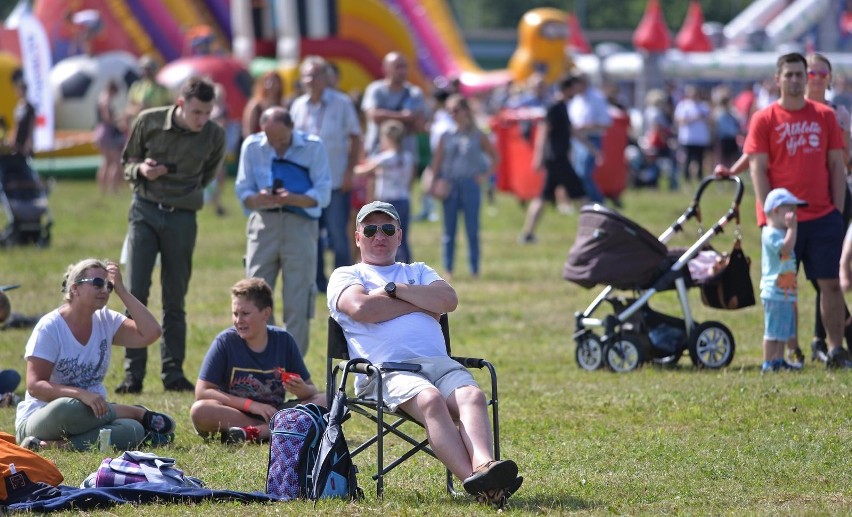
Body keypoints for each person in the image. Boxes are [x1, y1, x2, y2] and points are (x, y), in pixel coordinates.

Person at [326, 201, 521, 504]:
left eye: (388, 229)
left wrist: (394, 290)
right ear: (358, 237)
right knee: (430, 399)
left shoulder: (418, 270)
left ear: (400, 236)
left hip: (440, 366)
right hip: (385, 371)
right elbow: (361, 308)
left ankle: (484, 466)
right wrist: (422, 304)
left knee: (473, 396)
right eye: (371, 229)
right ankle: (482, 487)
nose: (380, 236)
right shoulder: (347, 274)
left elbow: (448, 300)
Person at [717, 53, 852, 365]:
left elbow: (835, 164)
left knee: (830, 283)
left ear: (806, 79)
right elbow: (757, 169)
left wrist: (835, 211)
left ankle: (835, 348)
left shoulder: (825, 116)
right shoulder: (764, 119)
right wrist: (770, 217)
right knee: (784, 287)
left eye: (799, 74)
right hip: (783, 222)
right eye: (788, 74)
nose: (794, 80)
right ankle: (792, 351)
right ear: (777, 79)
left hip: (822, 217)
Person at [116, 76, 226, 394]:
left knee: (175, 298)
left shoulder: (214, 135)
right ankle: (132, 376)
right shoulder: (148, 121)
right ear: (180, 104)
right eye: (197, 113)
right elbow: (127, 162)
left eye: (208, 113)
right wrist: (142, 171)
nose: (202, 120)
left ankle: (173, 373)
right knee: (135, 293)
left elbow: (207, 175)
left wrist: (182, 194)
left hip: (183, 218)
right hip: (145, 213)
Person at [14, 259, 175, 451]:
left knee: (132, 430)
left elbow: (151, 333)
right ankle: (135, 412)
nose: (104, 290)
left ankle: (52, 447)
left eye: (109, 286)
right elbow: (35, 387)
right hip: (45, 417)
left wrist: (122, 291)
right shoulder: (50, 327)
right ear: (75, 289)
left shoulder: (106, 320)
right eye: (98, 283)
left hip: (95, 414)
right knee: (69, 407)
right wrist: (83, 395)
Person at [235, 106, 331, 356]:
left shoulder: (313, 146)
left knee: (297, 299)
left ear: (292, 129)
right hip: (263, 224)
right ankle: (260, 359)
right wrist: (258, 198)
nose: (275, 144)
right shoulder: (252, 146)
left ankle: (292, 365)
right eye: (270, 138)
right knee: (253, 294)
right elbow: (243, 190)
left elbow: (323, 194)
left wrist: (293, 198)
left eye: (281, 139)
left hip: (300, 225)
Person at [190, 278, 325, 444]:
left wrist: (301, 388)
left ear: (266, 313)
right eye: (235, 314)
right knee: (200, 410)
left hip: (276, 413)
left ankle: (256, 433)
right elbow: (202, 391)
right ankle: (271, 430)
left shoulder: (284, 340)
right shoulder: (225, 342)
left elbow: (311, 391)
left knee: (327, 400)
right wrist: (251, 405)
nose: (238, 320)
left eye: (245, 314)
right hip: (235, 413)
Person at [290, 56, 362, 290]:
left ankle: (342, 282)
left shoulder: (341, 103)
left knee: (338, 236)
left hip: (335, 180)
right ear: (302, 80)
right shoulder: (297, 106)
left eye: (316, 75)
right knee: (313, 236)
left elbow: (355, 137)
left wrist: (350, 172)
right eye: (307, 76)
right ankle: (319, 282)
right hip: (307, 184)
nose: (312, 80)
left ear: (325, 77)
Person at [519, 74, 594, 244]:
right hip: (557, 158)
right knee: (581, 194)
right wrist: (539, 157)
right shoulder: (554, 107)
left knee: (543, 197)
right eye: (574, 88)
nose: (576, 91)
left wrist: (592, 148)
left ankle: (528, 233)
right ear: (567, 89)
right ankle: (591, 232)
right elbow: (543, 131)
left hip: (557, 158)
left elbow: (571, 131)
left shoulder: (562, 107)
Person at [430, 95, 498, 279]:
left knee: (472, 229)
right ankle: (448, 269)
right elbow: (437, 161)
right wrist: (433, 181)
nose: (452, 114)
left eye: (455, 110)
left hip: (470, 184)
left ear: (465, 111)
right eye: (449, 110)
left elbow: (495, 157)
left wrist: (483, 176)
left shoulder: (478, 134)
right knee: (449, 230)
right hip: (450, 183)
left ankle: (474, 269)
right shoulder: (445, 134)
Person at [354, 120, 415, 262]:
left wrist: (354, 166)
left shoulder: (385, 157)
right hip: (404, 198)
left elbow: (361, 171)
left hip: (388, 201)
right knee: (401, 237)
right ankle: (406, 265)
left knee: (385, 236)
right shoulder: (408, 157)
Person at [760, 188, 806, 372]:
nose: (793, 214)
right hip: (773, 291)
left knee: (783, 331)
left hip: (785, 292)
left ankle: (778, 360)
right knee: (772, 331)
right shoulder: (771, 233)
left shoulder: (781, 232)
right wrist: (793, 229)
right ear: (775, 210)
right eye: (789, 209)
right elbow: (785, 250)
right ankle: (768, 362)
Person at [361, 52, 426, 160]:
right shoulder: (375, 90)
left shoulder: (415, 93)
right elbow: (374, 116)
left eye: (404, 66)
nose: (402, 71)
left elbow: (418, 124)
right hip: (377, 154)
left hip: (406, 159)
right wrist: (405, 117)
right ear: (386, 69)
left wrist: (385, 117)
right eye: (398, 67)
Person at [568, 72, 610, 204]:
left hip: (592, 139)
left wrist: (584, 128)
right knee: (577, 174)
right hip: (576, 141)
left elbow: (606, 123)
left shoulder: (597, 98)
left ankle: (597, 202)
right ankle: (586, 203)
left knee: (584, 173)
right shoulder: (575, 100)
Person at [674, 84, 712, 183]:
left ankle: (700, 180)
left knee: (700, 160)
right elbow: (679, 120)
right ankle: (687, 180)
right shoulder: (683, 105)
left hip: (701, 138)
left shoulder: (704, 106)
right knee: (688, 160)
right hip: (688, 138)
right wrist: (694, 118)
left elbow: (710, 120)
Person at [94, 80, 126, 194]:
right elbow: (107, 118)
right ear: (112, 90)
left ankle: (102, 190)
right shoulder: (106, 99)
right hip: (107, 132)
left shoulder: (101, 97)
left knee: (106, 162)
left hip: (99, 131)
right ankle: (113, 189)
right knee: (116, 162)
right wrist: (119, 120)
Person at [124, 56, 172, 125]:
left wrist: (151, 109)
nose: (146, 72)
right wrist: (139, 109)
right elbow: (128, 110)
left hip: (157, 127)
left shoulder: (163, 89)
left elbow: (169, 110)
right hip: (139, 127)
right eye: (144, 69)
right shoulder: (136, 87)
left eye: (148, 69)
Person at [242, 71, 284, 140]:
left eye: (275, 82)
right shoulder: (256, 105)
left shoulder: (282, 106)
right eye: (269, 81)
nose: (272, 85)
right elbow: (248, 131)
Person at [10, 69, 35, 158]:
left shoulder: (30, 108)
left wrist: (29, 142)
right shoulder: (18, 106)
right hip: (18, 142)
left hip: (25, 141)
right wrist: (13, 139)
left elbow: (31, 127)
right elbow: (16, 125)